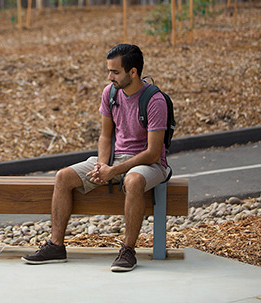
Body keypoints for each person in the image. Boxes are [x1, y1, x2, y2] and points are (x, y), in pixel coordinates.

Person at [21, 44, 168, 272]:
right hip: (114, 158)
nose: (110, 77)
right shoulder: (110, 93)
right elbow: (105, 135)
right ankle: (56, 246)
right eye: (108, 71)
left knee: (133, 181)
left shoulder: (154, 101)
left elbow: (153, 152)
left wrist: (114, 171)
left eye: (115, 72)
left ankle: (128, 251)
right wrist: (102, 164)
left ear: (133, 72)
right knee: (63, 177)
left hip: (148, 163)